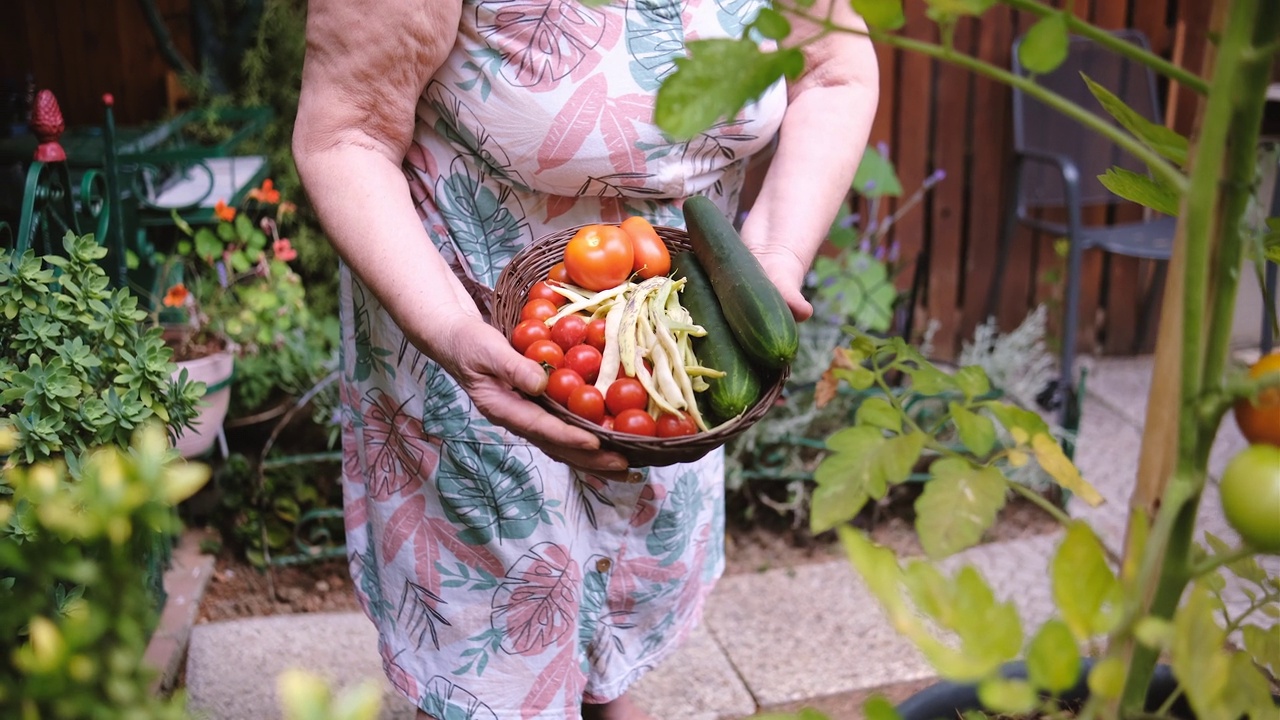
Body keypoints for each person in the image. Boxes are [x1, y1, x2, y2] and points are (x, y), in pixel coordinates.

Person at [293, 0, 877, 716]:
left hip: (669, 343)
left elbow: (832, 71)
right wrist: (449, 330)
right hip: (478, 341)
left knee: (617, 634)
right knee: (500, 667)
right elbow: (345, 134)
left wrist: (773, 258)